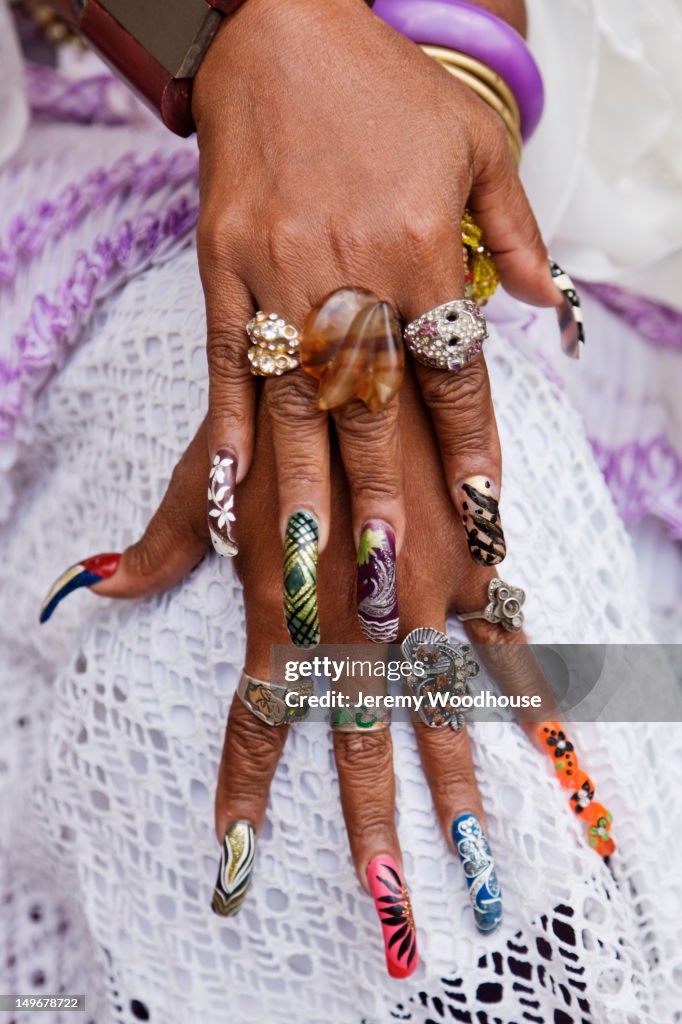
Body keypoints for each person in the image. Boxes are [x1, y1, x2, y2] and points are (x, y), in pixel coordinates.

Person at [0, 0, 680, 1021]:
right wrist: (262, 39)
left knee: (441, 556)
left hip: (545, 133)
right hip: (88, 105)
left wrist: (393, 175)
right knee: (309, 626)